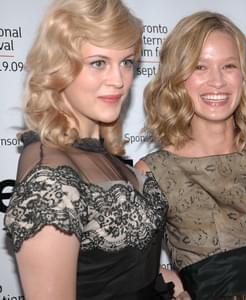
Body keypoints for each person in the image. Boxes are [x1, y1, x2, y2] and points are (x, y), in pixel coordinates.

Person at [3, 0, 172, 299]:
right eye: (98, 62)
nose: (118, 80)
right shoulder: (51, 176)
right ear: (59, 65)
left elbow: (111, 271)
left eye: (126, 62)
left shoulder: (97, 154)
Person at [136, 11, 246, 300]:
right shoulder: (156, 171)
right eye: (200, 67)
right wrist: (166, 282)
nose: (217, 82)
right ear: (178, 78)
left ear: (244, 75)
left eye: (228, 66)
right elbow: (128, 269)